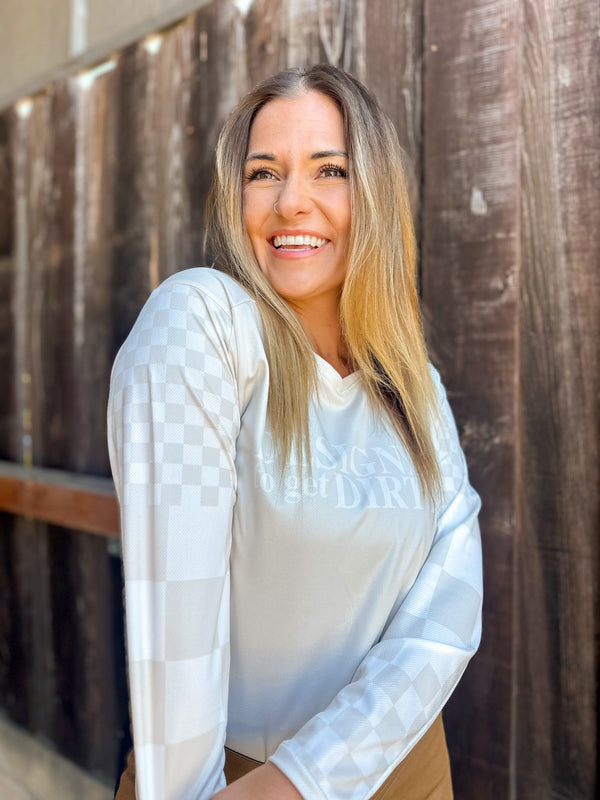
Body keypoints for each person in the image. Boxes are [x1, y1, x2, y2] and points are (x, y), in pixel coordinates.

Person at [108, 64, 482, 800]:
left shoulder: (413, 384)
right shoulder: (204, 326)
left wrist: (312, 775)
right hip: (231, 782)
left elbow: (447, 604)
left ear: (371, 193)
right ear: (235, 193)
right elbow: (173, 633)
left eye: (329, 170)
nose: (291, 203)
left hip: (410, 769)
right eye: (263, 172)